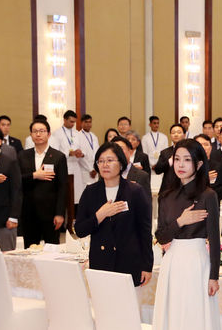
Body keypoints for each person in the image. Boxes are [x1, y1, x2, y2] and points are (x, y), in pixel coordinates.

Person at [150, 139, 222, 330]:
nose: (181, 165)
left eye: (187, 160)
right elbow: (160, 236)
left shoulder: (208, 195)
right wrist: (180, 221)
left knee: (195, 327)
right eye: (177, 159)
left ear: (199, 164)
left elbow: (215, 239)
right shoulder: (166, 194)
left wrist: (214, 275)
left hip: (197, 263)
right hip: (172, 264)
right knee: (172, 326)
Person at [75, 142, 152, 286]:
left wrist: (147, 266)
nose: (105, 165)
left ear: (121, 164)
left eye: (110, 160)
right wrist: (100, 215)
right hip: (101, 262)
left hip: (129, 262)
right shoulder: (90, 192)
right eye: (101, 161)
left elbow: (145, 231)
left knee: (128, 307)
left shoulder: (135, 191)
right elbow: (80, 230)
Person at [17, 119, 68, 247]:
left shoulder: (58, 157)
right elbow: (17, 180)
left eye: (42, 131)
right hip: (28, 211)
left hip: (50, 212)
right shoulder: (22, 156)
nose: (38, 134)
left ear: (49, 134)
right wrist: (34, 175)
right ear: (31, 135)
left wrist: (60, 213)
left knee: (52, 249)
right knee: (30, 249)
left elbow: (62, 187)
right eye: (35, 131)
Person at [51, 110, 91, 209]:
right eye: (71, 121)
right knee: (66, 194)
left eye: (74, 122)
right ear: (64, 120)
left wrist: (81, 154)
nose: (73, 124)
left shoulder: (77, 133)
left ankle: (75, 216)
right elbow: (55, 152)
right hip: (64, 166)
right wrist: (69, 153)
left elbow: (84, 149)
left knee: (77, 194)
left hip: (76, 167)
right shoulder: (57, 133)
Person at [154, 123, 186, 192]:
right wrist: (170, 161)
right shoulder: (165, 152)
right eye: (173, 133)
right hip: (167, 190)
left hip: (185, 189)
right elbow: (157, 170)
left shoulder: (189, 151)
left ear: (184, 135)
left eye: (179, 132)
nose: (176, 135)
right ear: (170, 135)